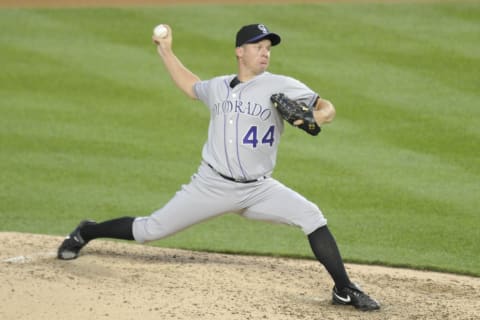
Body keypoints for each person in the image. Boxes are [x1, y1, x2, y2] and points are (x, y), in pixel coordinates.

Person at [57, 23, 380, 311]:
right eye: (258, 47)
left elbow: (328, 108)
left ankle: (344, 289)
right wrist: (166, 51)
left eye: (268, 48)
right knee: (149, 230)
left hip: (258, 188)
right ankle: (88, 230)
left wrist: (314, 117)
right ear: (240, 51)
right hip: (210, 186)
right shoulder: (218, 87)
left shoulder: (281, 84)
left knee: (311, 216)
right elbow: (190, 86)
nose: (264, 53)